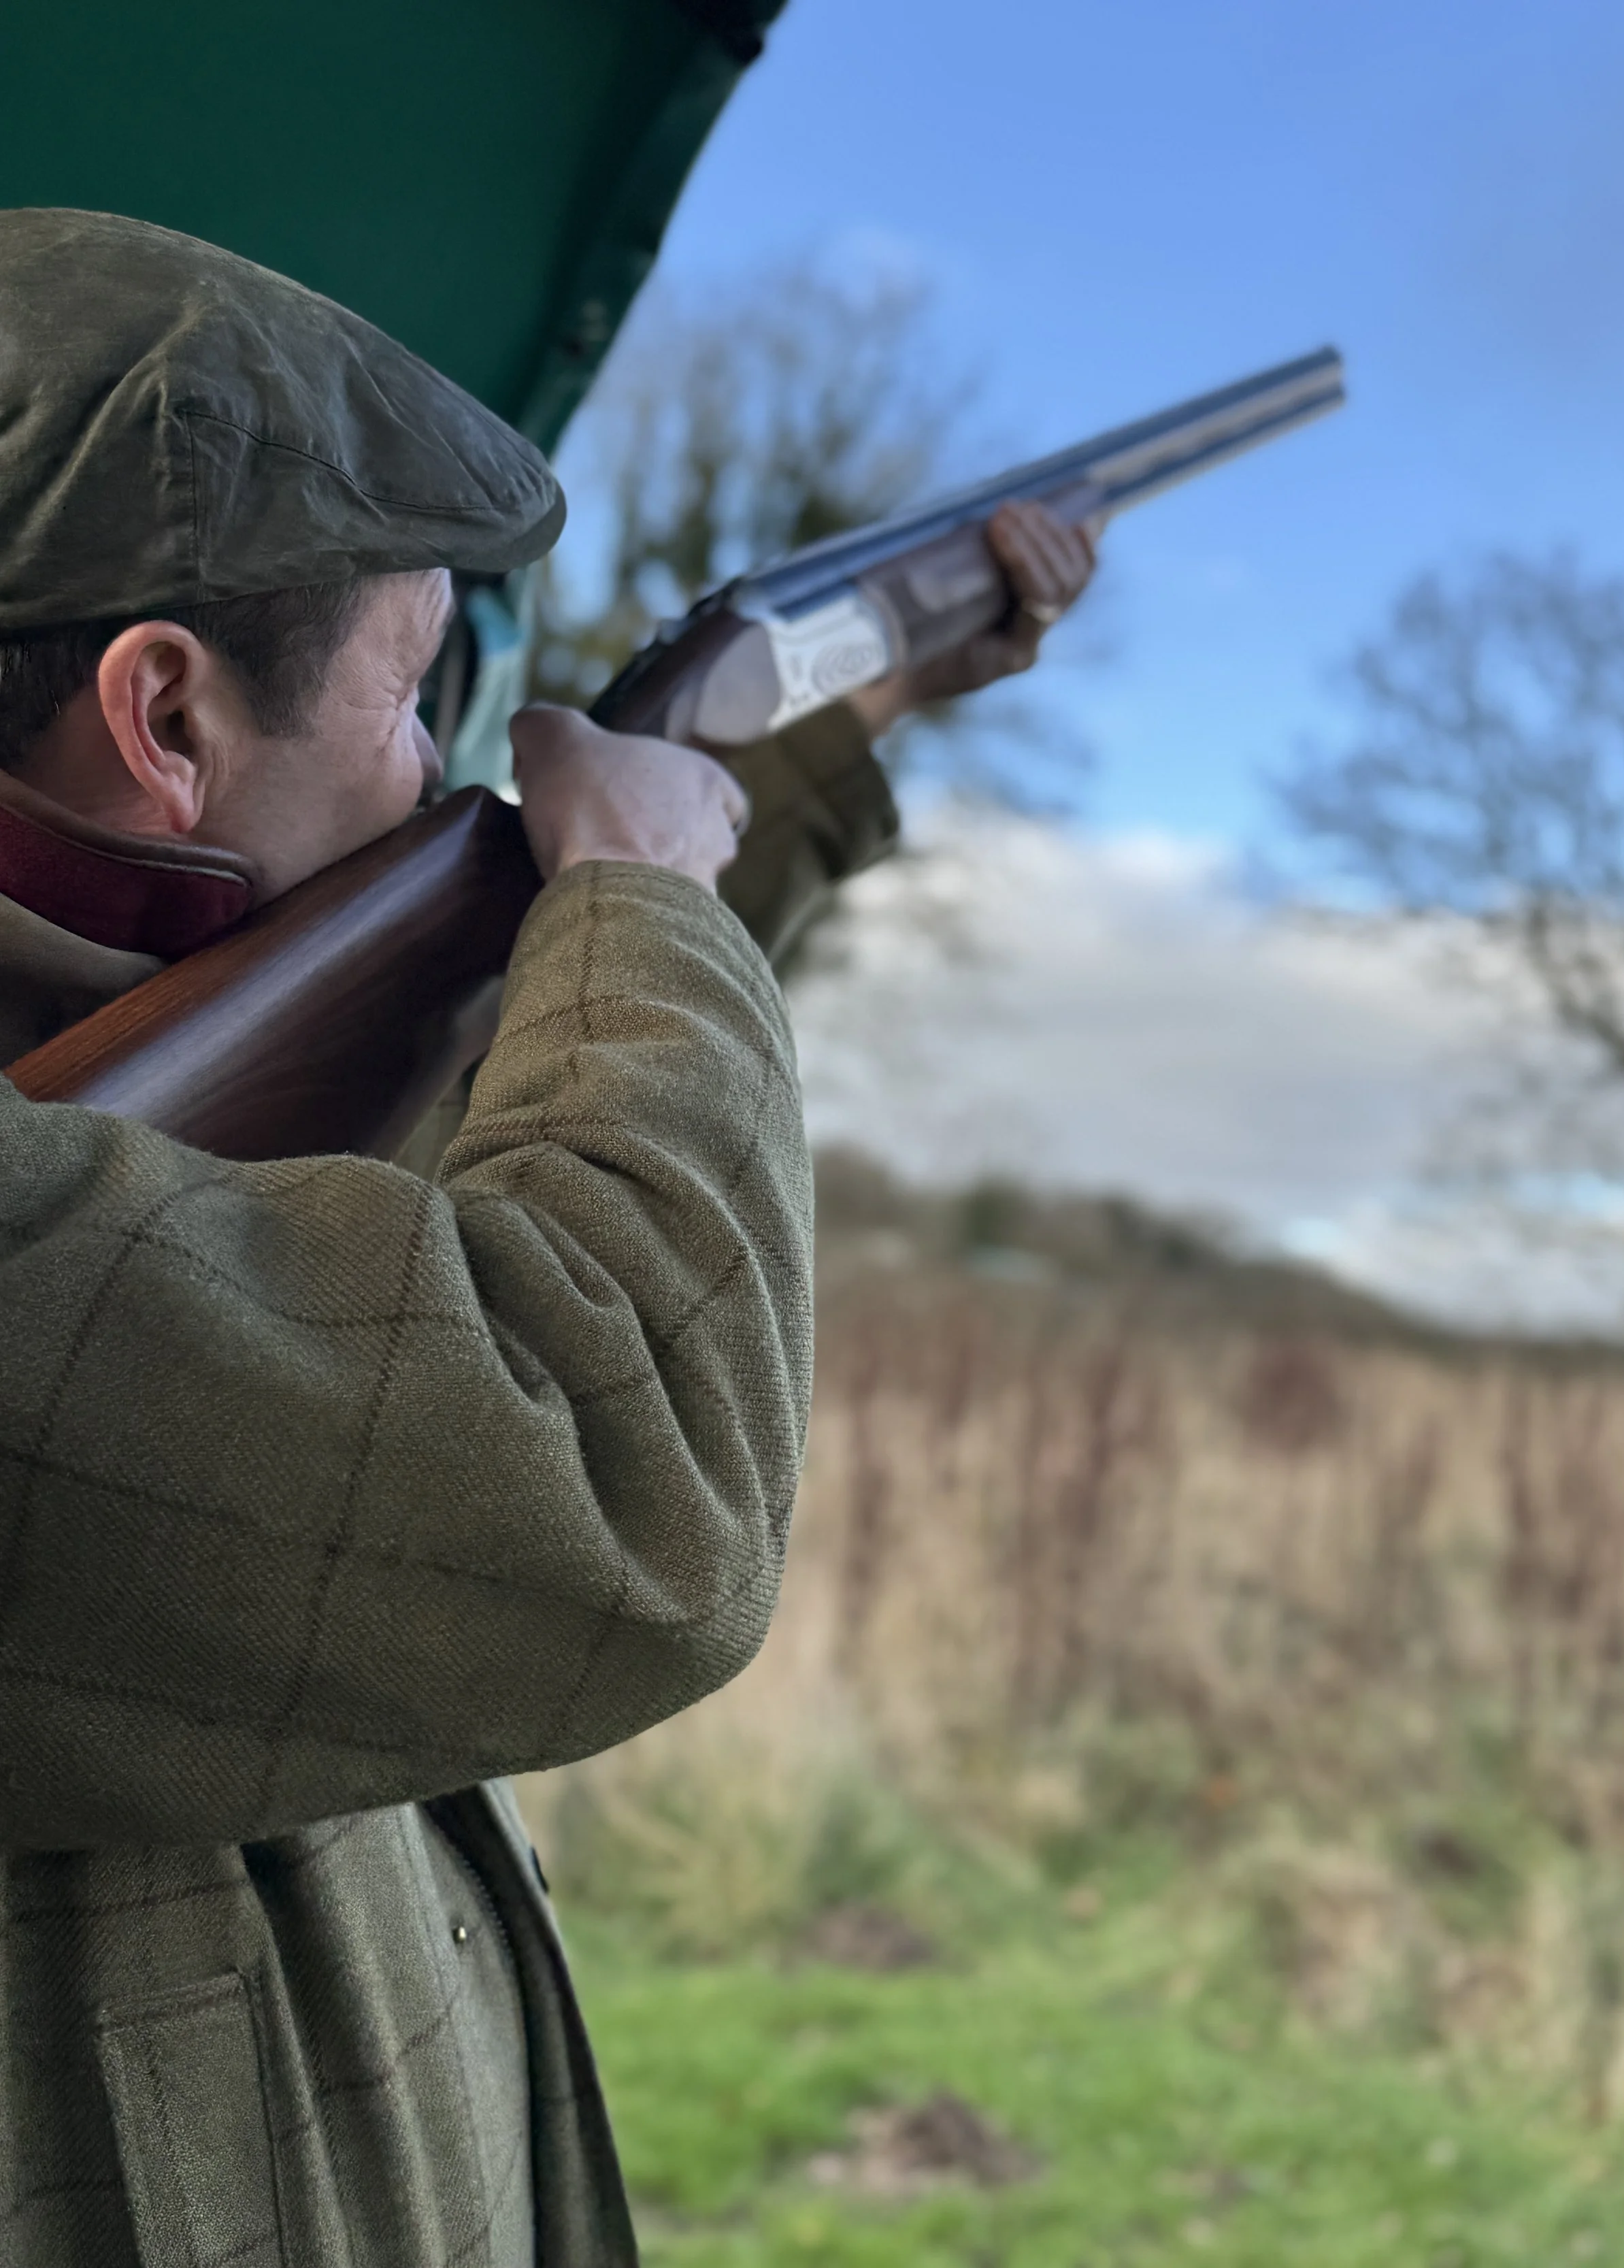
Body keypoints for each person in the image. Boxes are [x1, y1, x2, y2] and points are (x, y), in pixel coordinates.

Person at [0, 208, 1093, 2268]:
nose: (444, 774)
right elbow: (613, 1461)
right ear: (162, 718)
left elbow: (406, 1170)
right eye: (422, 692)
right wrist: (642, 907)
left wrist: (820, 729)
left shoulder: (92, 1090)